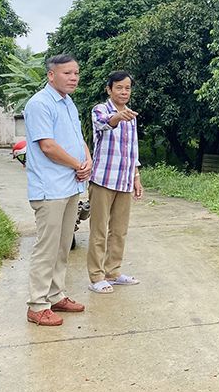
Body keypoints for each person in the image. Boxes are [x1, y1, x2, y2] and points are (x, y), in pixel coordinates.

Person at [23, 54, 92, 326]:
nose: (74, 78)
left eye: (76, 73)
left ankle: (55, 295)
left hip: (70, 184)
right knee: (47, 248)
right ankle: (37, 305)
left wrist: (87, 161)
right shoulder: (39, 104)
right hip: (49, 188)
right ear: (51, 75)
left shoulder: (68, 103)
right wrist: (77, 164)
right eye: (67, 73)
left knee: (63, 246)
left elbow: (78, 138)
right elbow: (48, 146)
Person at [87, 70, 142, 294]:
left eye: (127, 88)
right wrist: (118, 117)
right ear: (109, 89)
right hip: (103, 179)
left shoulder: (131, 116)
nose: (124, 92)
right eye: (119, 87)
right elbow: (104, 124)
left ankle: (113, 272)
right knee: (99, 230)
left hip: (124, 181)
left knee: (119, 231)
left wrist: (136, 177)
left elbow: (133, 150)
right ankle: (96, 276)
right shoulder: (100, 109)